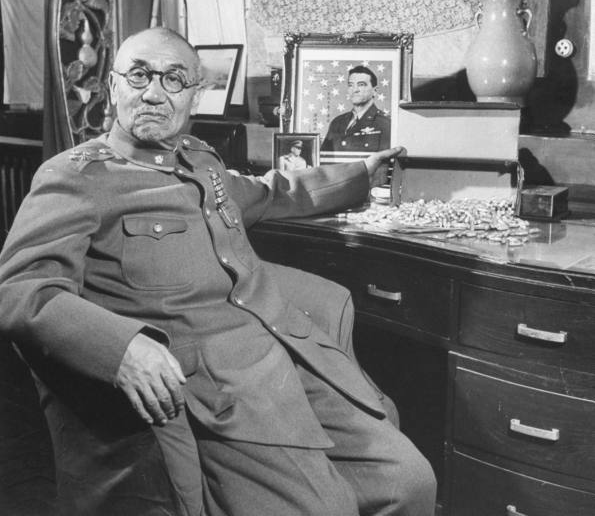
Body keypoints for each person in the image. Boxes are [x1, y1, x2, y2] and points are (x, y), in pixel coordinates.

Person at [0, 27, 436, 516]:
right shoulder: (76, 177)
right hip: (215, 391)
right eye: (139, 75)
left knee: (410, 482)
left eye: (173, 79)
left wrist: (360, 174)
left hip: (284, 354)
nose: (153, 92)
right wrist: (121, 346)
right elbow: (21, 290)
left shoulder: (200, 161)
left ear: (193, 95)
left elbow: (274, 192)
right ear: (114, 87)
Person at [321, 64, 391, 153]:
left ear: (375, 91)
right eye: (351, 85)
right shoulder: (337, 122)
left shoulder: (385, 123)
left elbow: (385, 163)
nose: (355, 90)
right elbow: (324, 159)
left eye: (361, 85)